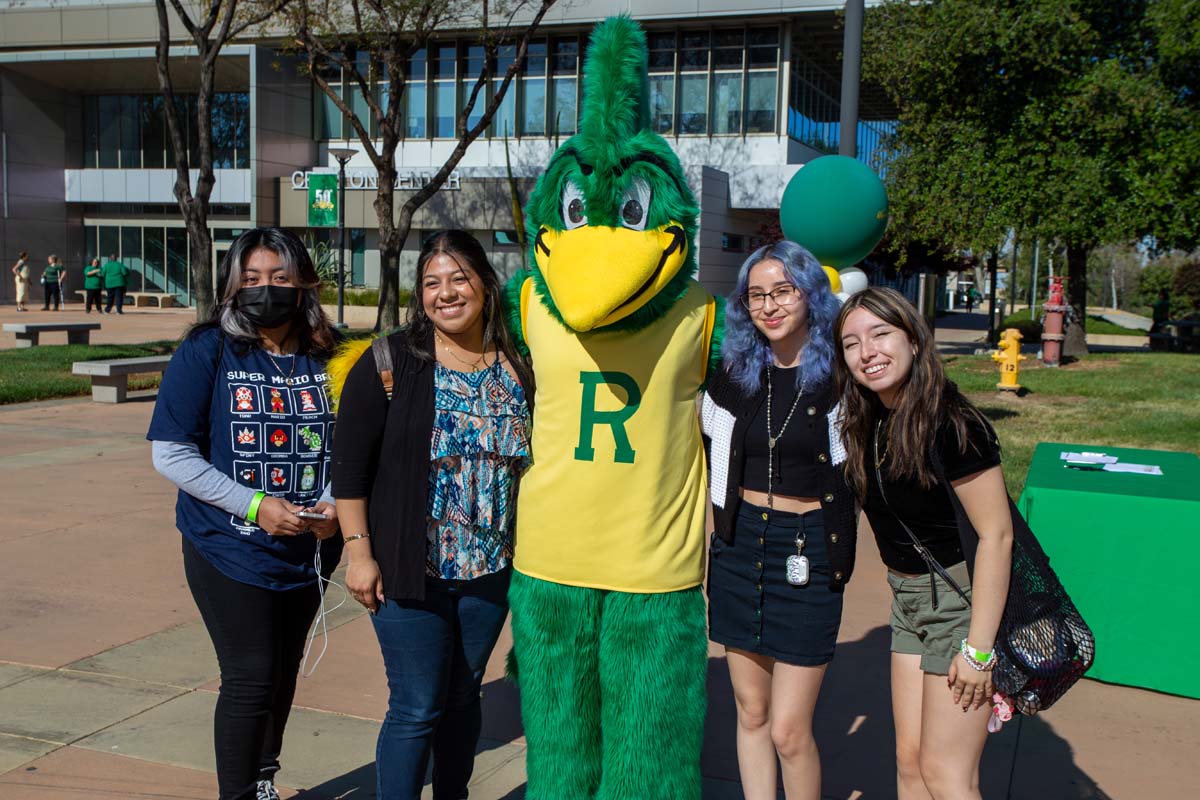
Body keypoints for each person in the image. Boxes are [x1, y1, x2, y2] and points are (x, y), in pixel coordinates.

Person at [331, 230, 532, 800]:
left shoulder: (519, 365)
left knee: (465, 692)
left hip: (490, 570)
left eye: (458, 279)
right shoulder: (390, 361)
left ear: (485, 285)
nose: (445, 293)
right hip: (406, 569)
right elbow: (349, 467)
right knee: (417, 704)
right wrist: (360, 554)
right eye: (431, 283)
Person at [147, 227, 343, 800]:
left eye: (279, 279)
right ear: (233, 286)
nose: (266, 290)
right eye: (252, 279)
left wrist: (333, 502)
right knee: (251, 675)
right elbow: (171, 452)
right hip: (227, 544)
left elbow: (351, 442)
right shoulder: (208, 348)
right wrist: (255, 506)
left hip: (308, 549)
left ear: (303, 283)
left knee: (282, 674)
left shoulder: (330, 354)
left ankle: (263, 779)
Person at [834, 287, 1013, 800]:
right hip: (909, 602)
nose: (867, 351)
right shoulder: (871, 419)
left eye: (881, 334)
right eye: (851, 343)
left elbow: (996, 537)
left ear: (914, 338)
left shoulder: (952, 423)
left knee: (946, 775)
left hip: (960, 603)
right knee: (911, 764)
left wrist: (978, 650)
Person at [701, 241, 857, 800]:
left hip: (809, 550)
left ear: (810, 294)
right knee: (751, 711)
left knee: (790, 732)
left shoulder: (842, 379)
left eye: (783, 291)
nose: (769, 305)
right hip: (739, 549)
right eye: (756, 295)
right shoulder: (733, 374)